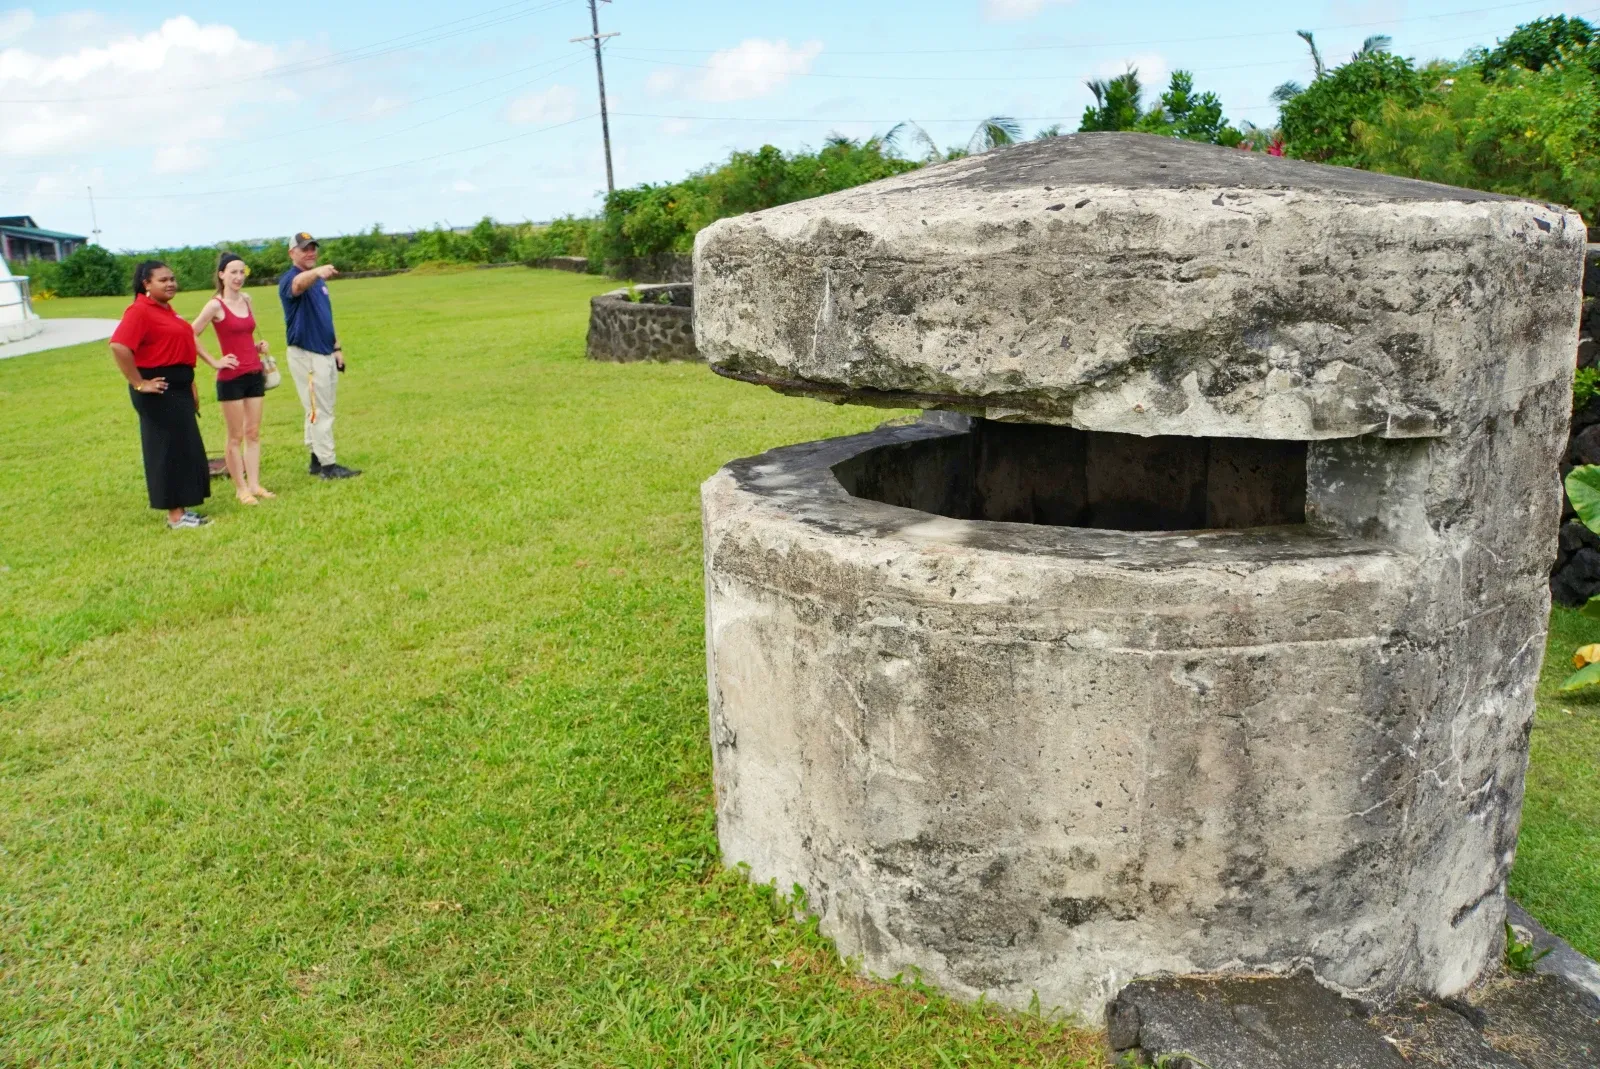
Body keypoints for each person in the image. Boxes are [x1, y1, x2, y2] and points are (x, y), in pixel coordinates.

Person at [109, 260, 238, 528]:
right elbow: (119, 346)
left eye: (172, 279)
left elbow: (180, 348)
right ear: (146, 284)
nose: (170, 284)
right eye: (163, 280)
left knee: (184, 448)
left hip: (178, 388)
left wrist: (190, 385)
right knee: (166, 450)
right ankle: (175, 517)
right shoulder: (139, 311)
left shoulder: (166, 310)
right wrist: (139, 383)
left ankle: (183, 508)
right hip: (159, 391)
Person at [193, 252, 275, 505]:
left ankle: (255, 484)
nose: (239, 277)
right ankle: (241, 489)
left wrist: (257, 347)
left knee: (253, 432)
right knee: (235, 436)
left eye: (242, 272)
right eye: (233, 272)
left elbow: (244, 334)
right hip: (231, 378)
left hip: (255, 373)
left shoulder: (247, 300)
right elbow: (190, 334)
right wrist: (214, 361)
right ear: (221, 275)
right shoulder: (215, 305)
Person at [279, 232, 360, 479]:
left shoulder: (318, 282)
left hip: (324, 351)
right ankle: (328, 466)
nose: (310, 252)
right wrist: (316, 272)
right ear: (292, 253)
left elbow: (325, 317)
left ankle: (316, 459)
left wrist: (337, 348)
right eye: (304, 249)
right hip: (307, 354)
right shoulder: (291, 279)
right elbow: (297, 285)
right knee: (320, 409)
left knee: (317, 407)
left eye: (313, 248)